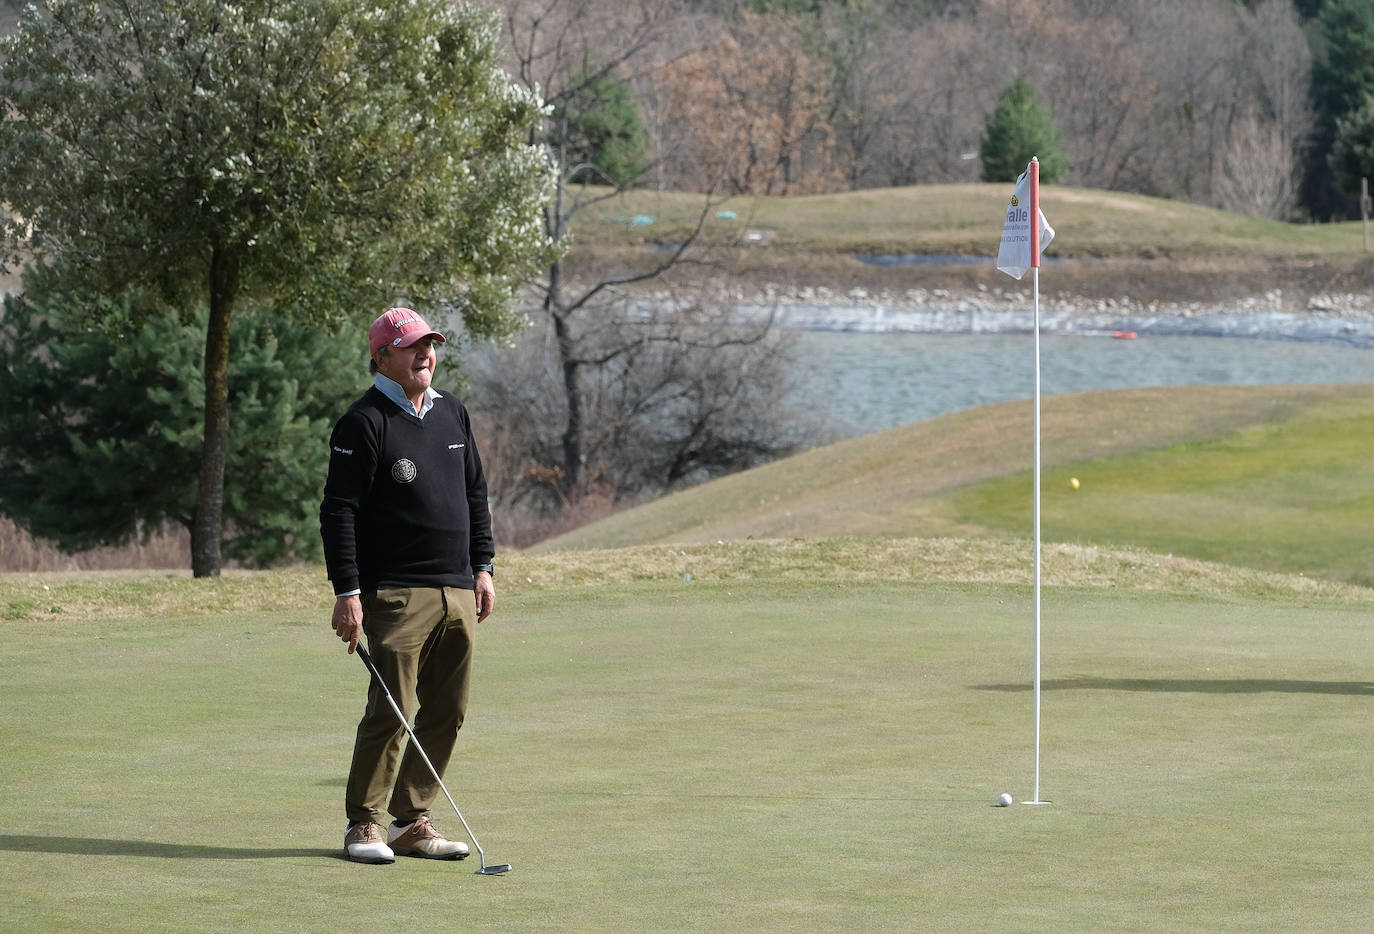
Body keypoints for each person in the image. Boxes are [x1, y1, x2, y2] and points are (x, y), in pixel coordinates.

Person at [320, 306, 497, 865]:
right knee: (393, 706)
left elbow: (475, 495)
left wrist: (483, 567)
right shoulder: (364, 421)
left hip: (456, 587)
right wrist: (347, 592)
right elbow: (339, 512)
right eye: (412, 346)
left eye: (430, 345)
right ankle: (363, 825)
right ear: (382, 358)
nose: (426, 355)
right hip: (394, 590)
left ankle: (412, 820)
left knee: (449, 707)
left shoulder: (452, 414)